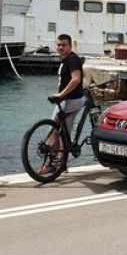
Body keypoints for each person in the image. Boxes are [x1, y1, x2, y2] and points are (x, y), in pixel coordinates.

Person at [39, 34, 86, 174]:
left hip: (71, 100)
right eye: (59, 45)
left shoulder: (71, 60)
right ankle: (62, 163)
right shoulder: (66, 60)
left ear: (70, 46)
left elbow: (76, 79)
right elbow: (78, 78)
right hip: (68, 99)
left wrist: (61, 94)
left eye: (64, 45)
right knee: (60, 131)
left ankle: (52, 164)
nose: (60, 47)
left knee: (54, 131)